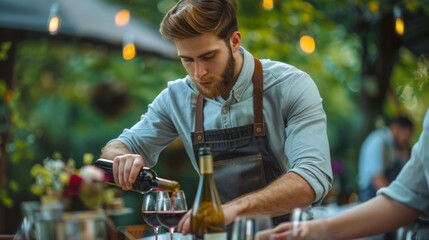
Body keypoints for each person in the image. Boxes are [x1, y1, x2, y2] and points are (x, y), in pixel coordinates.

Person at [100, 0, 332, 234]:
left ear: (234, 41)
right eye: (187, 60)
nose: (198, 73)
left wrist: (231, 210)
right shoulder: (176, 98)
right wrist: (121, 158)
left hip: (288, 235)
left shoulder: (291, 86)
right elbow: (115, 150)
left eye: (208, 56)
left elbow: (311, 179)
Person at [270, 107, 429, 240]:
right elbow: (380, 180)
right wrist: (318, 229)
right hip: (372, 198)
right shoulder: (379, 142)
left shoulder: (400, 149)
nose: (409, 139)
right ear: (395, 128)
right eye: (407, 133)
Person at [358, 115, 414, 202]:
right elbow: (377, 179)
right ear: (395, 128)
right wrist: (397, 200)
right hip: (371, 195)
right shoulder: (379, 141)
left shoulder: (399, 147)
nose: (407, 141)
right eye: (406, 136)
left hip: (386, 193)